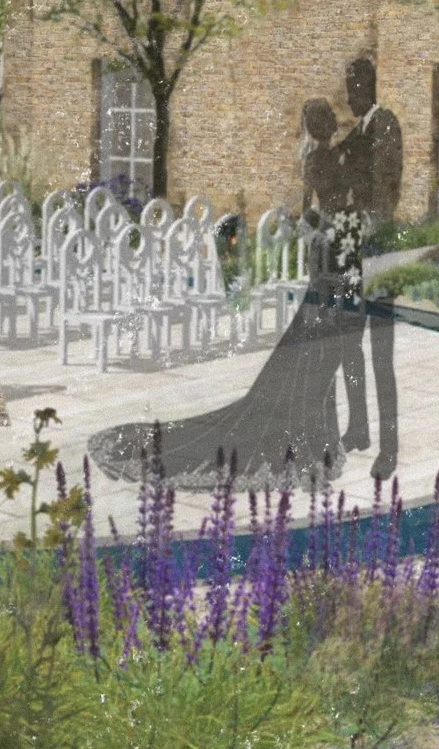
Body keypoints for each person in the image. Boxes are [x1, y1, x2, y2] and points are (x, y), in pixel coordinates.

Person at [88, 98, 355, 489]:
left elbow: (308, 214)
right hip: (332, 255)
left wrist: (322, 225)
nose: (332, 121)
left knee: (314, 346)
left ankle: (313, 441)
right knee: (316, 346)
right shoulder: (330, 160)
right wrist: (335, 226)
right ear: (326, 124)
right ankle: (312, 443)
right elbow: (322, 210)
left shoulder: (317, 161)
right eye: (329, 118)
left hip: (326, 252)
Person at [334, 56, 403, 478]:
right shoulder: (358, 131)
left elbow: (385, 191)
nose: (350, 96)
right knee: (347, 344)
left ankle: (389, 448)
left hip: (376, 253)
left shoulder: (385, 125)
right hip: (352, 251)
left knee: (381, 354)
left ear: (369, 88)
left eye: (355, 88)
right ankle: (358, 428)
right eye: (347, 88)